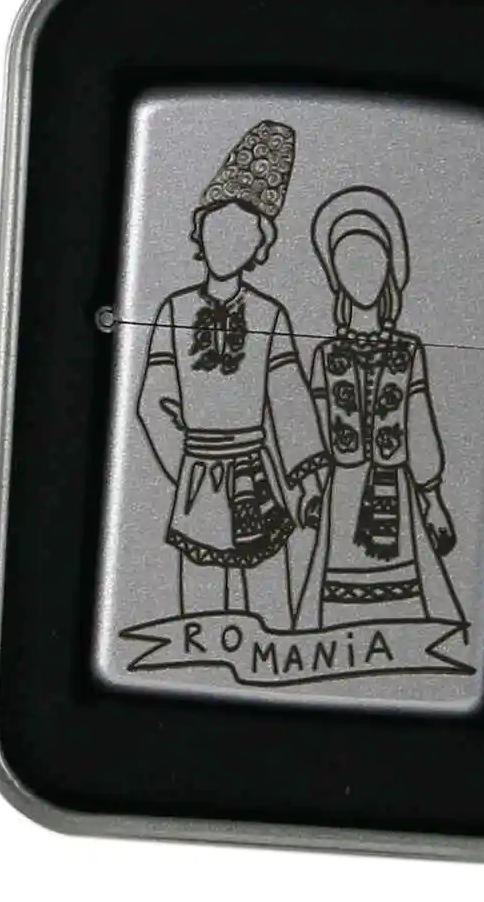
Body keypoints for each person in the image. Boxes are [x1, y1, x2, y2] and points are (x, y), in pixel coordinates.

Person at [138, 121, 327, 630]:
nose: (228, 241)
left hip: (256, 476)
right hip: (198, 477)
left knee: (269, 602)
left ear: (259, 246)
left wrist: (308, 481)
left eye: (242, 234)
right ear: (199, 232)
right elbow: (153, 401)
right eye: (218, 229)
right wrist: (185, 468)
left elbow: (289, 398)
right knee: (199, 612)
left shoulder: (269, 315)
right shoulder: (174, 311)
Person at [296, 186, 466, 630]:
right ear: (334, 274)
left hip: (397, 493)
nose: (362, 274)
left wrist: (433, 500)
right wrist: (312, 489)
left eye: (371, 261)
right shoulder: (326, 355)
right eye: (348, 263)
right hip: (341, 493)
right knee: (334, 601)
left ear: (389, 268)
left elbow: (420, 425)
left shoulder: (407, 352)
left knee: (404, 597)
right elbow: (310, 429)